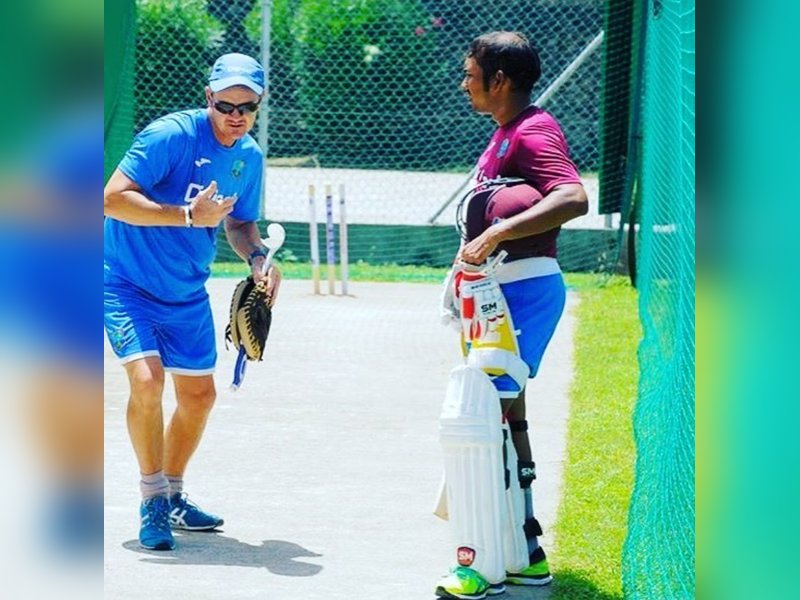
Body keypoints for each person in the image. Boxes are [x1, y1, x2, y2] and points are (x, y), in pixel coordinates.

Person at [103, 53, 281, 551]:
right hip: (126, 282)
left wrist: (259, 259)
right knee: (147, 380)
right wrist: (185, 215)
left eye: (247, 107)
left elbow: (240, 224)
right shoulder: (170, 136)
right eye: (226, 105)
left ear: (259, 104)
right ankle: (153, 498)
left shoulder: (249, 157)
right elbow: (111, 198)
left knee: (200, 397)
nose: (236, 115)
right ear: (208, 98)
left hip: (185, 291)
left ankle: (175, 493)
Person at [436, 32, 588, 598]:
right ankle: (524, 554)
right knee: (503, 423)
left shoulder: (533, 130)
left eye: (470, 73)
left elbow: (572, 197)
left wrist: (496, 232)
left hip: (521, 294)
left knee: (479, 422)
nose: (463, 83)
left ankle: (478, 565)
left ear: (499, 80)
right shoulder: (504, 133)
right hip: (493, 298)